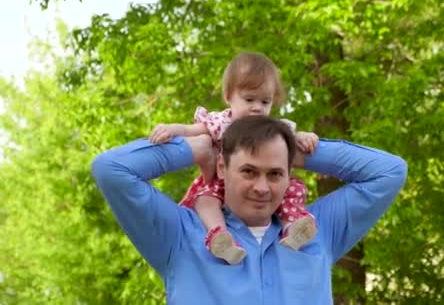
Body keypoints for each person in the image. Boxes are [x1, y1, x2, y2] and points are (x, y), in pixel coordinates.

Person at [92, 116, 407, 304]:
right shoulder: (179, 234)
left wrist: (300, 151)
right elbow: (111, 169)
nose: (262, 187)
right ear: (222, 167)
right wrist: (196, 147)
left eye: (275, 173)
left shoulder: (315, 230)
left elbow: (389, 171)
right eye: (248, 171)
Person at [148, 52, 318, 264]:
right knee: (205, 199)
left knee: (293, 189)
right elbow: (192, 129)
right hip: (221, 182)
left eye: (265, 101)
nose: (257, 107)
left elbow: (289, 137)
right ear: (229, 97)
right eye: (249, 99)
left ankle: (293, 227)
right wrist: (173, 129)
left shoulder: (272, 128)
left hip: (258, 181)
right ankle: (219, 235)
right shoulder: (222, 123)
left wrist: (303, 137)